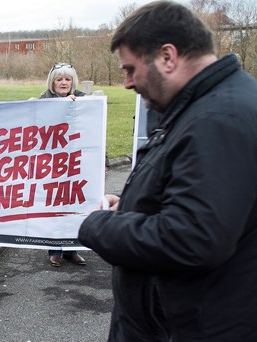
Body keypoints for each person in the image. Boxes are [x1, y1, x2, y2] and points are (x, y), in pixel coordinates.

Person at [78, 1, 257, 341]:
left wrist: (99, 226)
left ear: (167, 57)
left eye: (131, 69)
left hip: (188, 326)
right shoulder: (209, 106)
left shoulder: (218, 120)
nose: (128, 83)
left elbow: (194, 238)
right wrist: (130, 207)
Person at [40, 63, 87, 267]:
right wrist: (62, 107)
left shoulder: (84, 100)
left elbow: (94, 131)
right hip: (53, 163)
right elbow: (41, 128)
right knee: (55, 206)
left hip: (75, 162)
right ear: (52, 82)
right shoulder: (44, 100)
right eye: (59, 79)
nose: (63, 82)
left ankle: (71, 248)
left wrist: (102, 160)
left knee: (74, 204)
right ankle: (55, 249)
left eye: (67, 79)